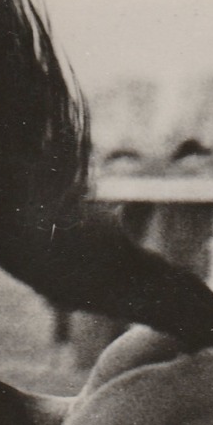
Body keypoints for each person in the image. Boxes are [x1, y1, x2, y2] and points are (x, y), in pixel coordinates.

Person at [68, 147, 156, 370]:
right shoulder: (86, 201)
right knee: (89, 355)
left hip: (136, 280)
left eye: (131, 174)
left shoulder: (151, 205)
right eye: (118, 173)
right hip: (93, 280)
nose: (125, 179)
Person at [147, 138, 213, 279]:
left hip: (195, 248)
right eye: (197, 157)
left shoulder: (208, 183)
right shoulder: (169, 185)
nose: (201, 163)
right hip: (171, 246)